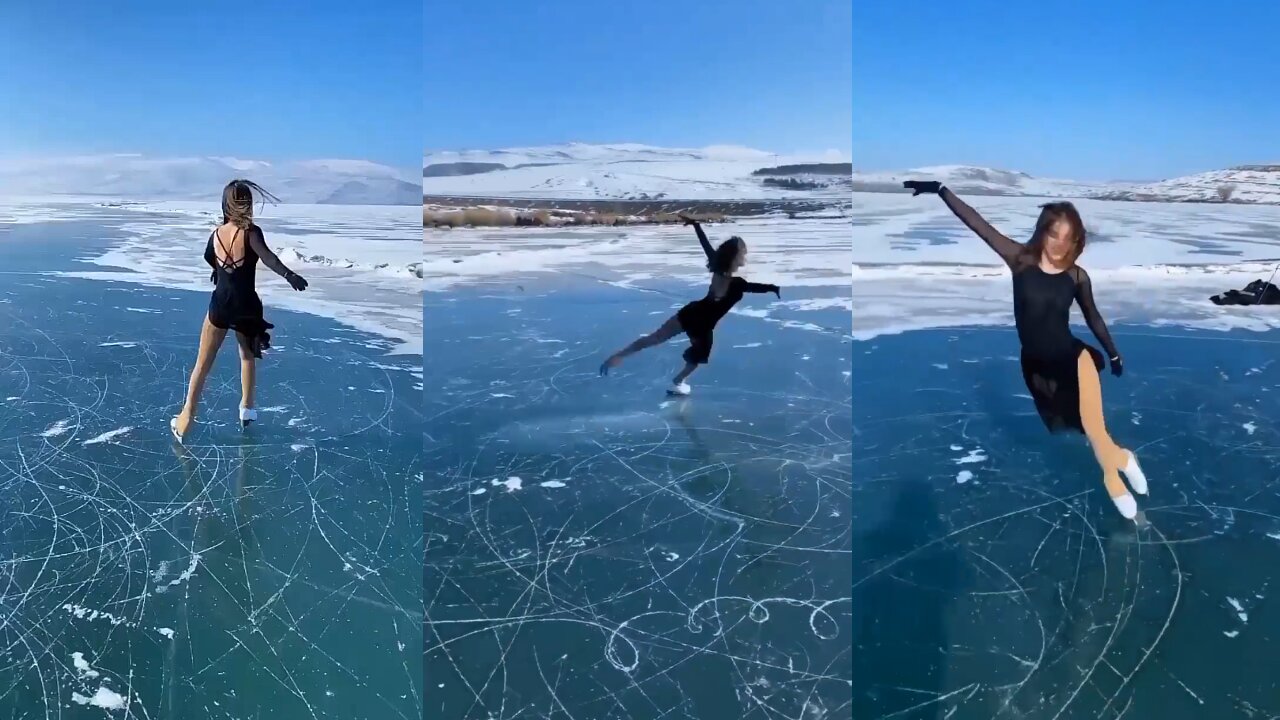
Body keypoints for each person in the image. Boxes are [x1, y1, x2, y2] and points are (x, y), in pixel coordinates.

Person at [904, 180, 1148, 520]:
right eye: (1054, 235)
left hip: (1074, 360)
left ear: (1076, 241)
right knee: (1088, 432)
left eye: (1068, 238)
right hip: (1037, 368)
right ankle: (1124, 459)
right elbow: (977, 223)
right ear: (1042, 232)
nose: (1060, 245)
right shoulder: (1019, 260)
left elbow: (1093, 317)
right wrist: (940, 189)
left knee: (1095, 432)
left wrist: (1113, 352)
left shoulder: (1077, 277)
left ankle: (1117, 485)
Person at [170, 179, 308, 442]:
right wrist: (289, 275)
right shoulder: (251, 232)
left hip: (221, 305)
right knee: (246, 355)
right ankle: (247, 409)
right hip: (246, 306)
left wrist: (218, 270)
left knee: (203, 363)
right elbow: (268, 256)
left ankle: (185, 419)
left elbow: (209, 256)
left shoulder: (217, 233)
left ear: (226, 204)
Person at [599, 215, 780, 395]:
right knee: (698, 358)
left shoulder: (718, 268)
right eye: (743, 255)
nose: (745, 259)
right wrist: (773, 288)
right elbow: (754, 287)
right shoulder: (737, 283)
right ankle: (679, 380)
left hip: (692, 313)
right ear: (735, 257)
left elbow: (706, 245)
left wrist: (696, 226)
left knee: (656, 339)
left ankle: (618, 356)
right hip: (703, 325)